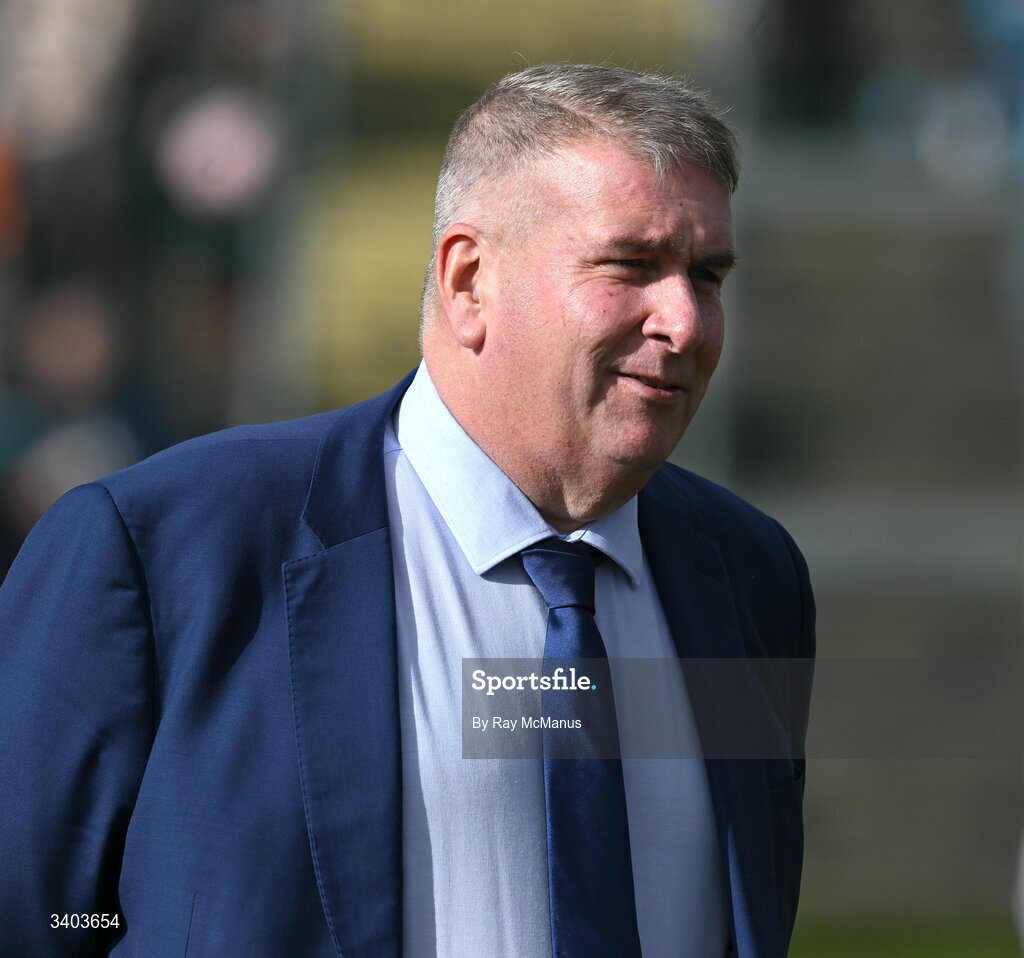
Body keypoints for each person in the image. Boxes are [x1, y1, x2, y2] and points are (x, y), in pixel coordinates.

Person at [0, 64, 814, 958]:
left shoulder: (748, 576)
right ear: (469, 280)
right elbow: (37, 917)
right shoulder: (165, 549)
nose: (685, 322)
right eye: (632, 265)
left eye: (708, 275)